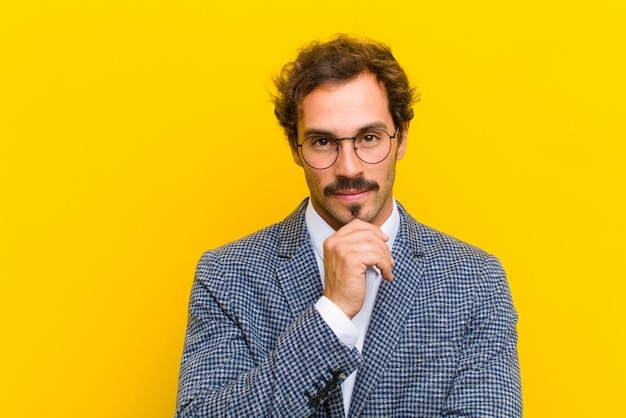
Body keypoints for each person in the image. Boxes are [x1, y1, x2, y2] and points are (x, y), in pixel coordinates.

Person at [175, 34, 522, 417]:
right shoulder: (227, 276)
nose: (349, 168)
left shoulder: (474, 282)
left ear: (401, 137)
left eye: (369, 138)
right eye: (323, 142)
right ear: (295, 147)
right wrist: (331, 314)